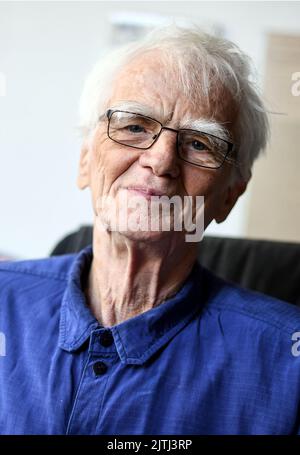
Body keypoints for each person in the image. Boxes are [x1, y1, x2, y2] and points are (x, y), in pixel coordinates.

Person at [0, 25, 300, 435]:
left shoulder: (288, 365)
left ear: (229, 195)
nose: (161, 161)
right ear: (85, 160)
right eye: (135, 126)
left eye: (200, 144)